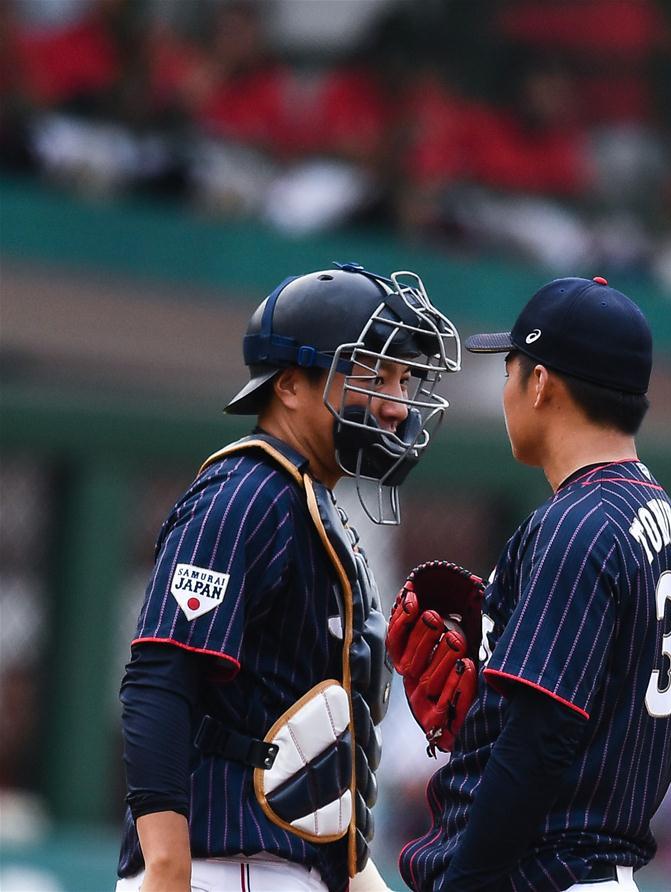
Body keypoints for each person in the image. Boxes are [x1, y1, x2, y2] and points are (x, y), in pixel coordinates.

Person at [115, 264, 460, 892]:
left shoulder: (307, 502)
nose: (393, 402)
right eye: (370, 374)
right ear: (292, 385)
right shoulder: (244, 494)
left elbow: (317, 745)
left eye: (405, 378)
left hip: (284, 864)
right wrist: (166, 868)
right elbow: (158, 681)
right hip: (223, 864)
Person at [396, 275, 671, 890]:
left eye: (509, 367)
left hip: (537, 874)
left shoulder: (576, 526)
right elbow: (665, 743)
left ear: (539, 381)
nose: (506, 389)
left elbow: (539, 742)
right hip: (601, 867)